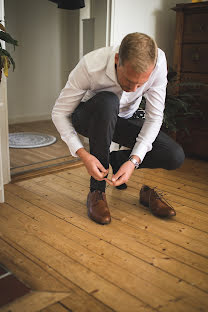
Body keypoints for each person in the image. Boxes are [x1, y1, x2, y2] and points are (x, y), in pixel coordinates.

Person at [52, 32, 185, 225]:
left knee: (174, 155)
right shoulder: (90, 65)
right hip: (89, 117)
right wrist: (82, 153)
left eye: (141, 84)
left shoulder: (159, 63)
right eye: (129, 80)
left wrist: (133, 161)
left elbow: (154, 118)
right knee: (108, 101)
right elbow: (59, 113)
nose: (133, 89)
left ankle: (116, 160)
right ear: (117, 60)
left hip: (124, 119)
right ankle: (96, 191)